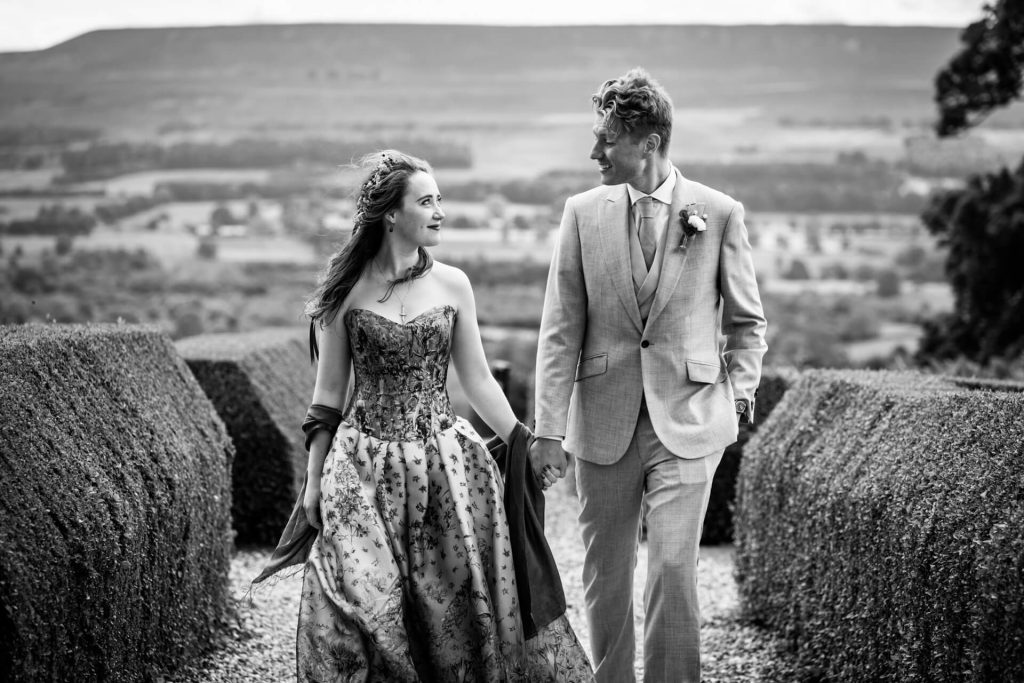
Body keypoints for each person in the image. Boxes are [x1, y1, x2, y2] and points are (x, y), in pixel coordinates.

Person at [256, 150, 593, 682]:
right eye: (427, 201)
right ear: (391, 214)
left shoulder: (454, 285)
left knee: (450, 604)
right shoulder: (344, 295)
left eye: (440, 200)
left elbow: (478, 380)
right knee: (352, 602)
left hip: (444, 465)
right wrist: (314, 482)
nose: (440, 211)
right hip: (362, 468)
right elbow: (325, 399)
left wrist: (526, 442)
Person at [531, 68, 768, 682]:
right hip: (602, 422)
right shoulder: (581, 213)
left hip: (689, 420)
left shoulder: (717, 213)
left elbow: (747, 323)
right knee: (607, 574)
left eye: (606, 139)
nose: (594, 152)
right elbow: (561, 330)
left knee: (670, 567)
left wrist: (738, 394)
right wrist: (548, 430)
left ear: (649, 141)